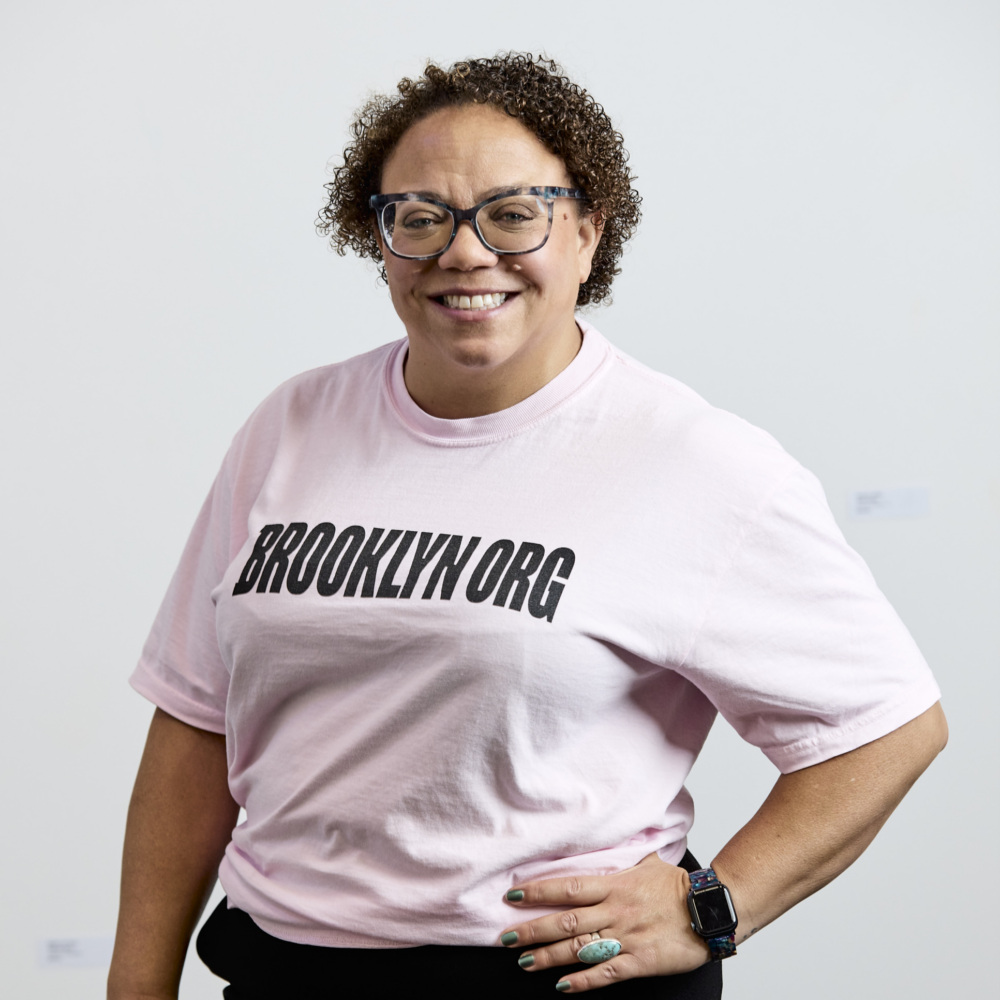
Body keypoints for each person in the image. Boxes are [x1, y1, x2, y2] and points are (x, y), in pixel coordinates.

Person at [108, 53, 946, 1000]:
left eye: (514, 214)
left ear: (588, 232)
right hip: (284, 972)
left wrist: (715, 907)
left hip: (550, 980)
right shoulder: (291, 427)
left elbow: (888, 725)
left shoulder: (696, 463)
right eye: (419, 217)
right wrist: (136, 985)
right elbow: (194, 724)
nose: (464, 252)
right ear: (378, 240)